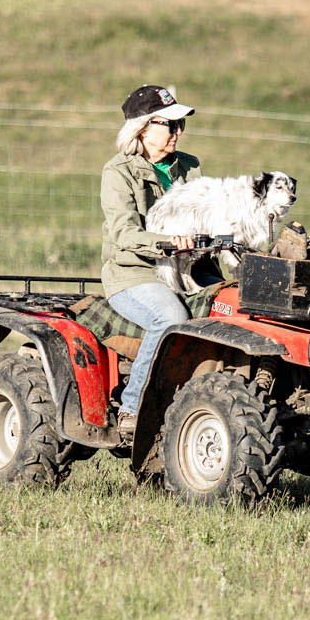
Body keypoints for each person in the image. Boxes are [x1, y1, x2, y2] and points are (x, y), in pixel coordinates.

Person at [101, 84, 199, 434]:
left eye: (180, 125)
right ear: (141, 128)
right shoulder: (118, 173)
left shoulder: (188, 167)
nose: (177, 132)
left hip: (187, 271)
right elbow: (124, 235)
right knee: (171, 317)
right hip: (135, 275)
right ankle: (132, 409)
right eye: (169, 124)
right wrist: (169, 242)